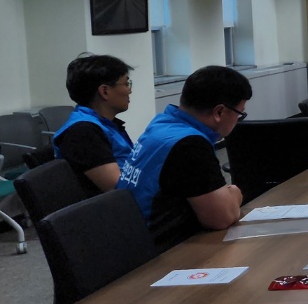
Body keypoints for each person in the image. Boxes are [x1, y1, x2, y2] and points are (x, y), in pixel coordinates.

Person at [118, 65, 250, 250]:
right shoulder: (190, 145)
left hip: (130, 238)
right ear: (219, 112)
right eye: (239, 114)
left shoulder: (161, 124)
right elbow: (222, 218)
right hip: (160, 252)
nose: (238, 120)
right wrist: (235, 193)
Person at [53, 53, 136, 194]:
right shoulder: (82, 132)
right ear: (104, 91)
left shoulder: (106, 123)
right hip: (111, 205)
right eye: (126, 84)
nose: (130, 90)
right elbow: (118, 190)